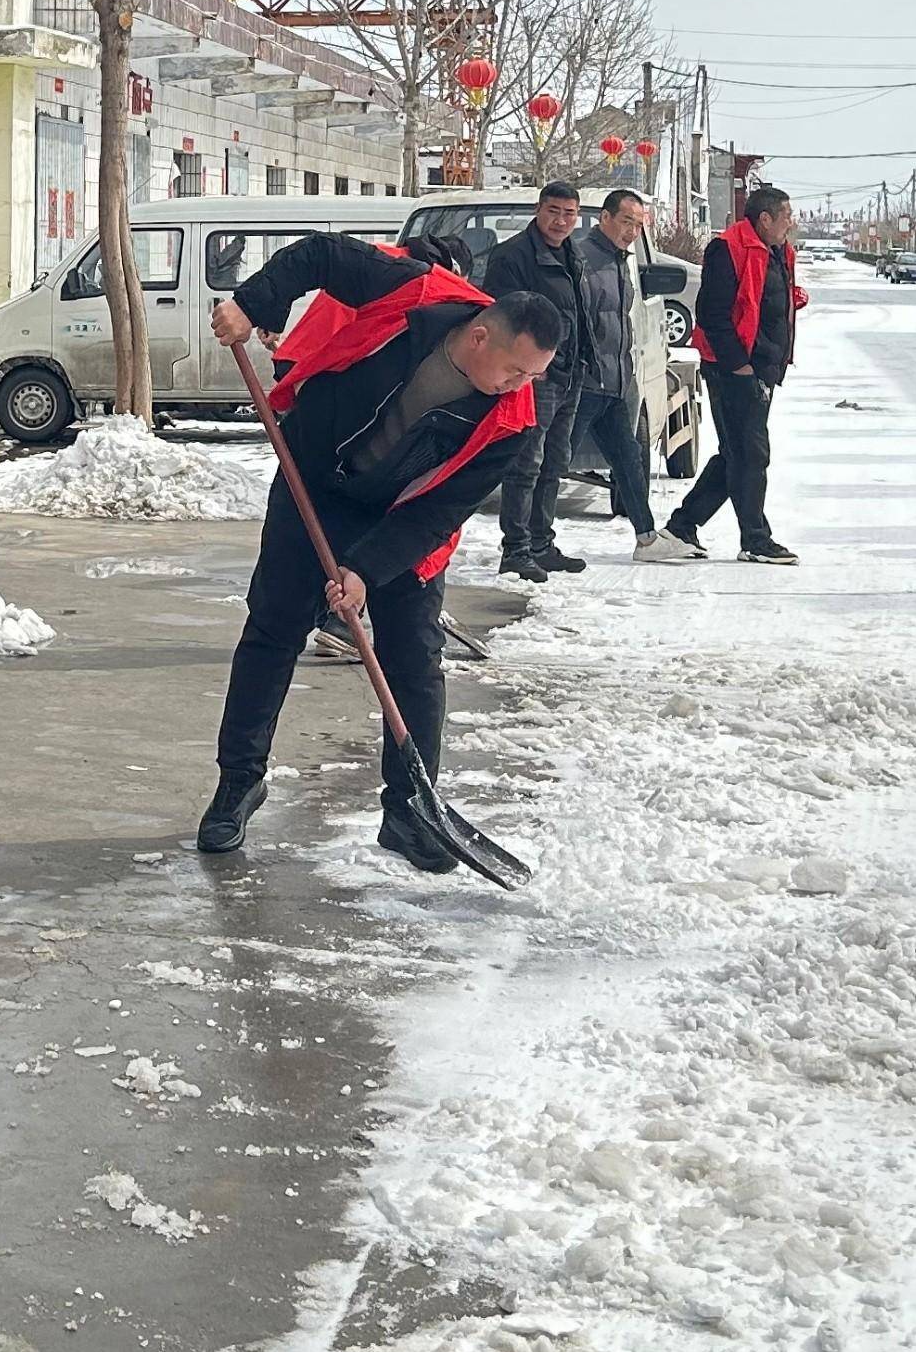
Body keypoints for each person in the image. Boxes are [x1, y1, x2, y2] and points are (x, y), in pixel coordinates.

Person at [191, 233, 560, 876]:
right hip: (313, 478)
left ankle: (410, 810)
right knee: (274, 629)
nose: (521, 386)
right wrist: (253, 305)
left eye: (533, 375)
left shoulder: (511, 417)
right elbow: (319, 255)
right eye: (515, 370)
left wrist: (365, 569)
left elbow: (440, 511)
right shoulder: (414, 295)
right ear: (480, 337)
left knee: (414, 656)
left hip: (404, 515)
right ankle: (238, 783)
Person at [668, 184, 802, 563]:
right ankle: (756, 539)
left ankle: (682, 527)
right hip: (733, 370)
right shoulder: (727, 248)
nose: (791, 223)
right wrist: (739, 366)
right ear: (765, 218)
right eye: (787, 216)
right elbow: (712, 314)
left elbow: (764, 300)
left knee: (736, 454)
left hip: (763, 369)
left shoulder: (777, 251)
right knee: (751, 455)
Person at [571, 188, 691, 562]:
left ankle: (646, 538)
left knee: (629, 460)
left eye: (638, 225)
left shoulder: (619, 260)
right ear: (605, 218)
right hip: (586, 383)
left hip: (615, 380)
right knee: (552, 464)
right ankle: (527, 542)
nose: (632, 231)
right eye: (626, 222)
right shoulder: (582, 259)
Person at [482, 182, 594, 578]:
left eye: (569, 213)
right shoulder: (512, 255)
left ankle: (541, 542)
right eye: (553, 211)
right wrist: (524, 367)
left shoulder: (573, 253)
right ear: (538, 210)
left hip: (569, 372)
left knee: (555, 461)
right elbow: (501, 314)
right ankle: (516, 548)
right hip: (534, 376)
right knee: (526, 462)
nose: (561, 221)